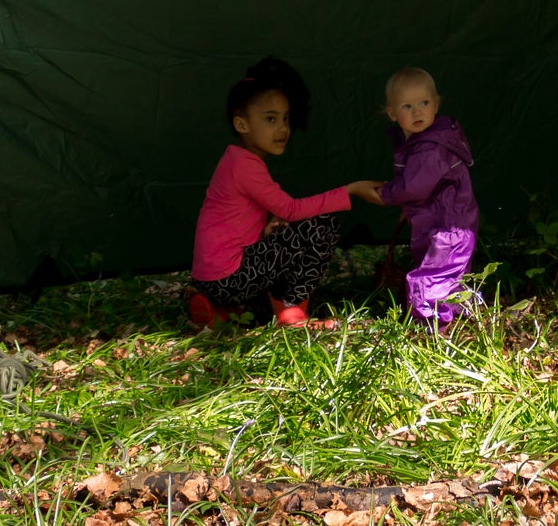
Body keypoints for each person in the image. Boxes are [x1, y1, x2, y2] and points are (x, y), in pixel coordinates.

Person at [189, 57, 382, 329]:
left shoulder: (236, 160)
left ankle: (220, 312)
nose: (283, 128)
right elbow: (290, 209)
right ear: (242, 125)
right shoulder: (244, 165)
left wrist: (265, 233)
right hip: (229, 278)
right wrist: (350, 190)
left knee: (277, 256)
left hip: (213, 278)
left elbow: (233, 228)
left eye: (285, 118)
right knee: (323, 223)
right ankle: (291, 310)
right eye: (270, 119)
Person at [380, 67, 480, 329]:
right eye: (407, 106)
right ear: (392, 113)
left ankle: (432, 330)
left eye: (424, 103)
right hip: (436, 221)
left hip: (450, 226)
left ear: (436, 104)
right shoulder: (418, 140)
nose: (418, 111)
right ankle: (459, 319)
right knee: (444, 273)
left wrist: (385, 193)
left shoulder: (430, 146)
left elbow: (415, 187)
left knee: (432, 276)